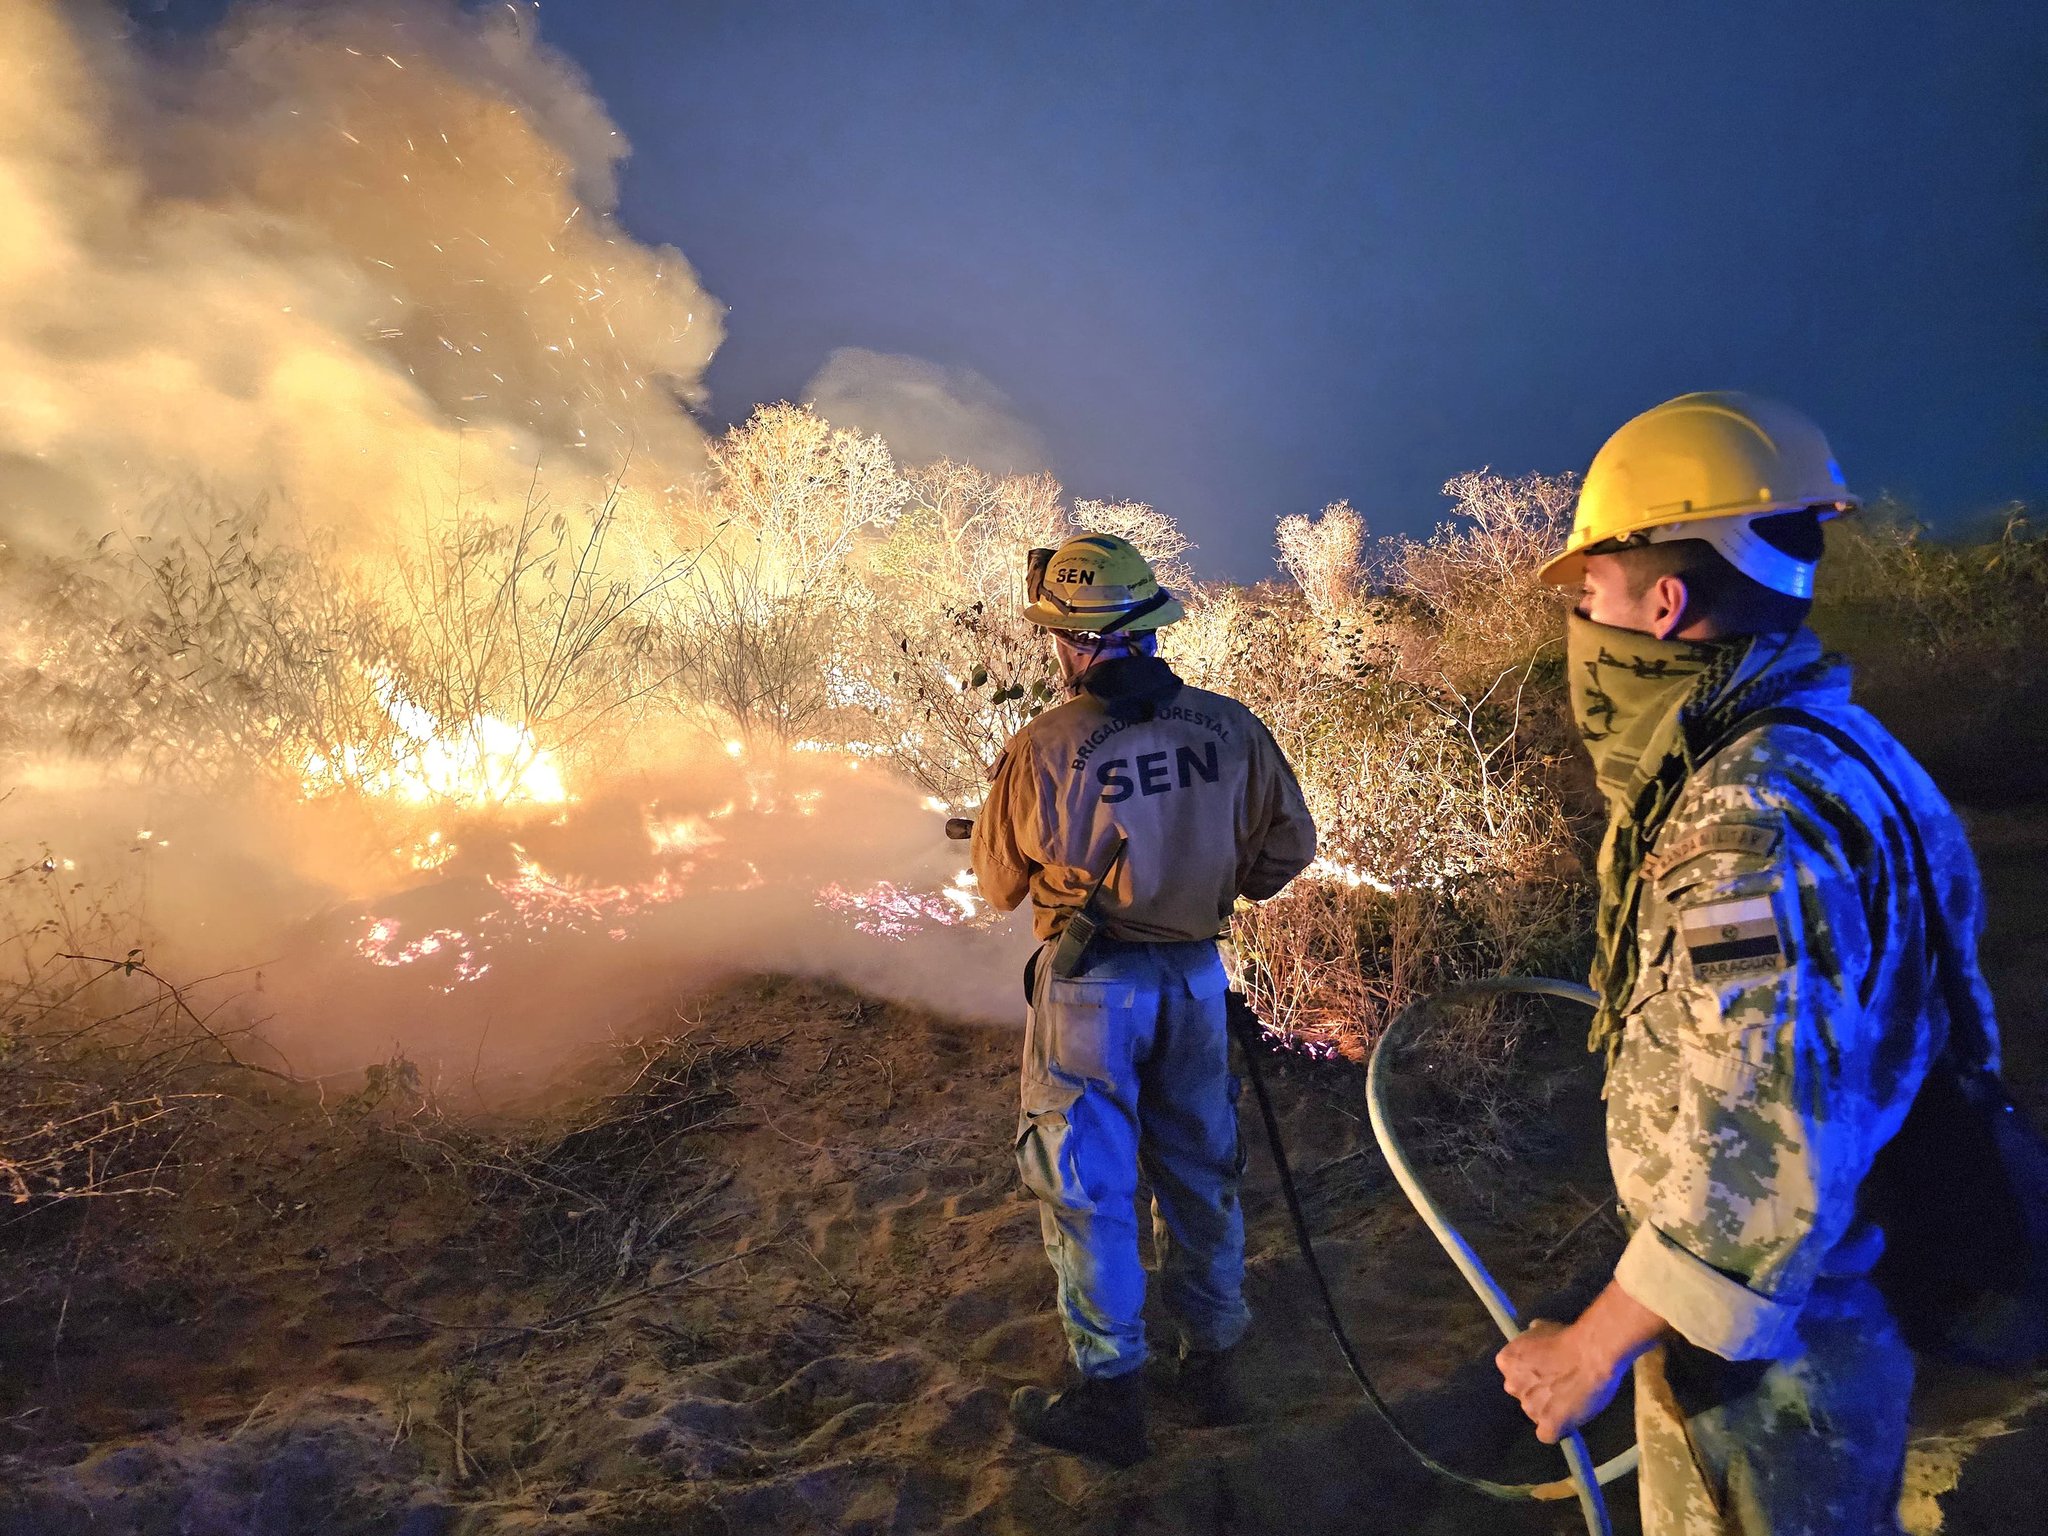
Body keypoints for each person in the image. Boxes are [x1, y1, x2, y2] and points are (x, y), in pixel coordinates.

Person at [1494, 392, 2000, 1534]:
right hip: (1837, 1313)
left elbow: (1760, 1159)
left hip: (1773, 1371)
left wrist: (1589, 1351)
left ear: (1663, 603)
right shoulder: (1843, 747)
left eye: (1590, 593)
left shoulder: (1743, 817)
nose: (1582, 623)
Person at [971, 531, 1316, 1466]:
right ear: (1151, 624)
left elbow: (999, 884)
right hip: (1197, 980)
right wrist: (1203, 876)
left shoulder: (1042, 746)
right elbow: (1288, 850)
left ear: (1068, 640)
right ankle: (1216, 1367)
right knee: (1201, 1173)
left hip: (1092, 992)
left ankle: (1113, 1397)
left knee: (1087, 1187)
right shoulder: (1232, 728)